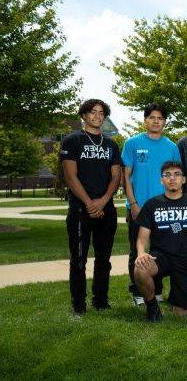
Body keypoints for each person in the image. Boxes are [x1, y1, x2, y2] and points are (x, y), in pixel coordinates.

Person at [60, 99, 121, 315]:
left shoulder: (111, 144)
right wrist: (89, 203)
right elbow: (70, 176)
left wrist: (103, 201)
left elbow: (116, 176)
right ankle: (78, 306)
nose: (97, 116)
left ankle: (101, 301)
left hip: (106, 209)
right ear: (84, 115)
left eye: (101, 112)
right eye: (93, 112)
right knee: (78, 259)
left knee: (103, 259)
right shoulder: (72, 141)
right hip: (80, 209)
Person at [133, 161, 187, 322]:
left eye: (177, 174)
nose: (172, 178)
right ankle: (152, 306)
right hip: (161, 257)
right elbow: (142, 237)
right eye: (167, 175)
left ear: (184, 180)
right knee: (140, 269)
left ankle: (177, 297)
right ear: (161, 180)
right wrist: (141, 253)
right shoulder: (152, 205)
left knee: (181, 313)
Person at [122, 103, 181, 306]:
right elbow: (126, 176)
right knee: (136, 250)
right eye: (152, 117)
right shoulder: (132, 143)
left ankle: (156, 291)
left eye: (160, 118)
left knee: (160, 251)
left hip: (165, 209)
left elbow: (176, 178)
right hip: (139, 208)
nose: (156, 121)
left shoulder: (172, 147)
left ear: (164, 122)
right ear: (145, 120)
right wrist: (133, 203)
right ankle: (138, 292)